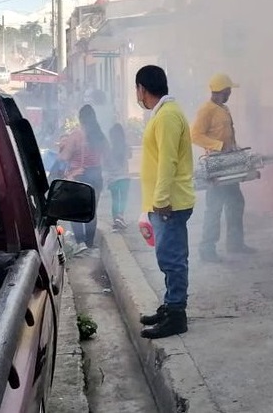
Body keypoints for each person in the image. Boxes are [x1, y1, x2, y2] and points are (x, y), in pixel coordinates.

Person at [134, 65, 195, 339]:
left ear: (142, 89)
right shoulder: (163, 114)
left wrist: (159, 200)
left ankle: (176, 314)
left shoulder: (168, 116)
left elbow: (168, 161)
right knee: (168, 257)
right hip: (163, 202)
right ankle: (171, 304)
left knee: (172, 258)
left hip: (169, 203)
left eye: (137, 90)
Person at [191, 72, 254, 262]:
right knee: (214, 208)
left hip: (229, 163)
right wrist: (219, 146)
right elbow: (195, 135)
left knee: (236, 203)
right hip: (216, 166)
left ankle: (235, 243)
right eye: (228, 91)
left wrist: (235, 147)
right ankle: (207, 249)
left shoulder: (224, 109)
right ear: (220, 91)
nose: (230, 94)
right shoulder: (206, 110)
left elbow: (227, 134)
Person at [59, 104, 106, 249]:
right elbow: (107, 155)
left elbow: (64, 157)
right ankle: (90, 243)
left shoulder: (76, 135)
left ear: (81, 118)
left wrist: (61, 149)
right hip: (96, 175)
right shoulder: (99, 135)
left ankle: (80, 242)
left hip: (80, 175)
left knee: (77, 211)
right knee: (92, 211)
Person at [105, 122, 132, 230]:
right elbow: (130, 156)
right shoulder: (125, 146)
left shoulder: (109, 148)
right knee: (123, 199)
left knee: (115, 200)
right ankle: (120, 216)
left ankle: (116, 220)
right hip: (125, 177)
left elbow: (105, 163)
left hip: (113, 179)